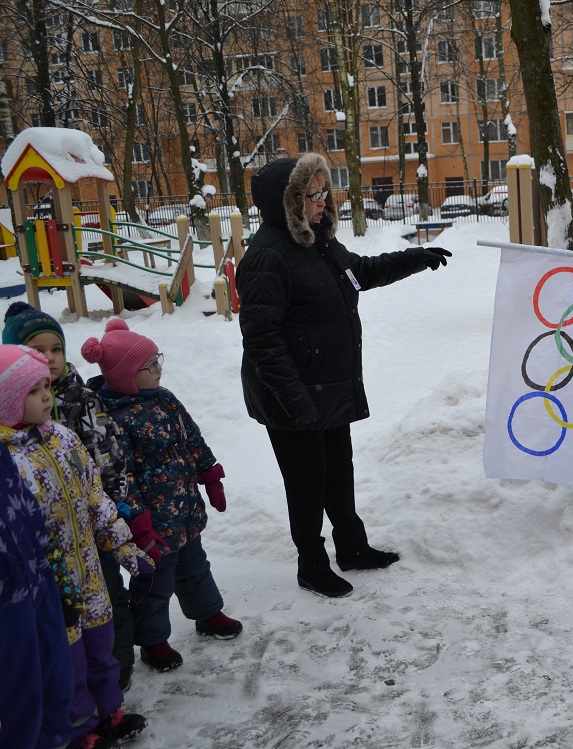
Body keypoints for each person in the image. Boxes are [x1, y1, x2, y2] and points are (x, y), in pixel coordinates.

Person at [236, 152, 452, 598]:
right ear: (289, 201)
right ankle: (311, 566)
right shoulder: (267, 258)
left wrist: (414, 257)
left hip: (327, 388)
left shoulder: (319, 243)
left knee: (338, 473)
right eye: (312, 194)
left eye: (324, 192)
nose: (323, 201)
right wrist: (296, 402)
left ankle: (352, 548)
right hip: (292, 397)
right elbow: (262, 342)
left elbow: (361, 272)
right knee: (307, 484)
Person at [3, 301, 158, 691]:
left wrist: (118, 505)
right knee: (65, 628)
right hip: (51, 557)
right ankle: (78, 699)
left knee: (109, 601)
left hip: (93, 529)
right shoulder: (11, 446)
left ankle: (116, 673)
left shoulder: (78, 402)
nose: (50, 359)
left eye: (56, 349)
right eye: (38, 351)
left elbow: (105, 457)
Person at [81, 319, 242, 673]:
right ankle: (152, 641)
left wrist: (209, 472)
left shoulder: (165, 398)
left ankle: (207, 613)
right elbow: (121, 475)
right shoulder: (113, 419)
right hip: (153, 522)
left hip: (184, 509)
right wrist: (138, 521)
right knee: (154, 582)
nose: (158, 369)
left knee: (195, 567)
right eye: (149, 365)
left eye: (158, 360)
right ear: (125, 376)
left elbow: (191, 436)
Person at [0, 441, 73, 749]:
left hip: (37, 581)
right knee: (16, 708)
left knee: (53, 680)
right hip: (7, 606)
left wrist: (60, 577)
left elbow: (29, 511)